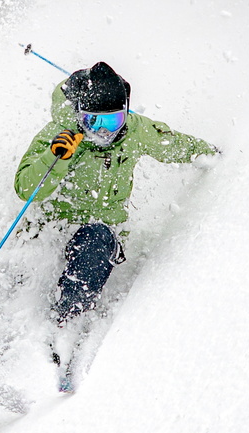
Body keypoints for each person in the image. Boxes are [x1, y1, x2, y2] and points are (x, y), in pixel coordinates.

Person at [14, 61, 218, 355]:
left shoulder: (135, 131)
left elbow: (175, 145)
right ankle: (18, 333)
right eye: (94, 122)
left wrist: (216, 156)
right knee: (29, 269)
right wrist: (54, 158)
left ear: (126, 114)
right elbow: (25, 189)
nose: (105, 132)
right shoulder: (61, 134)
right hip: (51, 229)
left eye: (113, 121)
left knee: (99, 240)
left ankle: (64, 322)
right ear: (80, 115)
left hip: (96, 233)